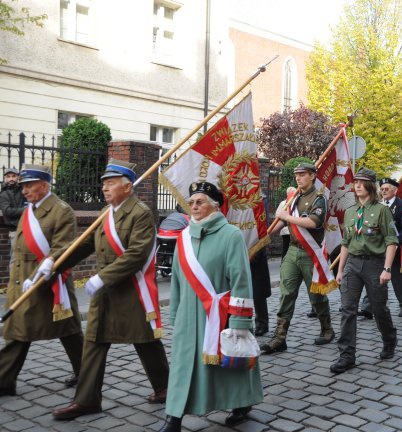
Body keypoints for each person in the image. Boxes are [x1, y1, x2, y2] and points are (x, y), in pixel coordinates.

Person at [52, 159, 169, 420]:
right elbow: (83, 245)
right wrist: (56, 261)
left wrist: (102, 277)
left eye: (111, 183)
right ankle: (87, 400)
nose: (105, 188)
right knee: (94, 342)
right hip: (105, 295)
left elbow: (137, 254)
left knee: (146, 342)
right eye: (104, 183)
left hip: (131, 292)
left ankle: (165, 388)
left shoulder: (140, 213)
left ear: (127, 187)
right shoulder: (108, 213)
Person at [158, 182, 263, 432]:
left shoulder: (231, 235)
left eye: (200, 201)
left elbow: (241, 280)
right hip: (188, 316)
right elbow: (177, 277)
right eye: (192, 202)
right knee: (183, 365)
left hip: (222, 314)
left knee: (230, 362)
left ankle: (242, 402)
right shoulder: (183, 237)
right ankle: (173, 418)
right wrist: (175, 312)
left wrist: (239, 322)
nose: (194, 206)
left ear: (215, 205)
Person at [0, 165, 83, 396]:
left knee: (68, 330)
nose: (24, 190)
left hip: (48, 281)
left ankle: (87, 372)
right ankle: (4, 381)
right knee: (19, 329)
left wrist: (44, 268)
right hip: (21, 277)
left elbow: (63, 247)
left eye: (29, 185)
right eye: (23, 185)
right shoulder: (30, 209)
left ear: (44, 185)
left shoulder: (60, 210)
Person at [330, 168, 398, 374]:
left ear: (370, 185)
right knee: (347, 310)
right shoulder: (350, 212)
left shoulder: (382, 211)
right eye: (355, 182)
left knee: (378, 309)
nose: (357, 185)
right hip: (353, 265)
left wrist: (387, 269)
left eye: (362, 182)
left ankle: (389, 339)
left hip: (375, 265)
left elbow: (391, 241)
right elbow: (345, 242)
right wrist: (340, 270)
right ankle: (346, 355)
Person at [262, 163, 335, 354]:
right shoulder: (293, 198)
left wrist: (286, 216)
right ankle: (279, 337)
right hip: (293, 252)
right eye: (296, 175)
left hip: (310, 254)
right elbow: (282, 221)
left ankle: (327, 329)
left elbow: (312, 222)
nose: (298, 178)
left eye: (302, 174)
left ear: (312, 176)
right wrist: (266, 237)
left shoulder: (319, 199)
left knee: (316, 296)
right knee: (286, 293)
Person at [359, 177, 402, 318]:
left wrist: (395, 243)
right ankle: (368, 308)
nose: (383, 191)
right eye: (381, 189)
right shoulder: (377, 205)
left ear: (395, 190)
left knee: (399, 278)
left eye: (386, 189)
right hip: (378, 248)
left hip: (396, 248)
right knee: (374, 277)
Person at [0, 167, 26, 251]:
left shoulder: (23, 189)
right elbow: (7, 211)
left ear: (18, 177)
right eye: (8, 176)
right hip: (15, 230)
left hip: (27, 227)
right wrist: (25, 210)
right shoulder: (3, 194)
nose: (11, 179)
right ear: (5, 179)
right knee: (15, 257)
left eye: (13, 176)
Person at [278, 186, 297, 261]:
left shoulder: (296, 202)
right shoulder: (283, 203)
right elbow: (277, 215)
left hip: (292, 230)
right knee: (286, 247)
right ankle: (284, 262)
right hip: (286, 230)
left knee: (291, 247)